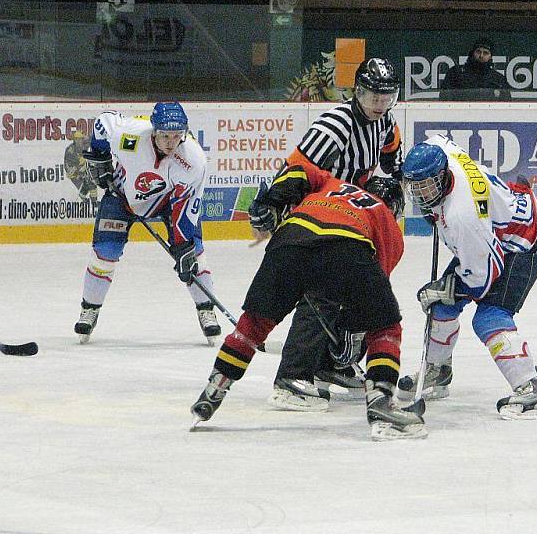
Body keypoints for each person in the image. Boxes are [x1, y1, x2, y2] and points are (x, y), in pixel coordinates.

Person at [191, 161, 427, 440]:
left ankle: (215, 389)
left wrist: (273, 201)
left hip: (289, 239)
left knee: (253, 325)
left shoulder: (334, 185)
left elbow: (299, 169)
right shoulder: (385, 219)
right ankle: (382, 403)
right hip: (347, 245)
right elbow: (370, 301)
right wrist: (347, 338)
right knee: (385, 327)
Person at [252, 57, 404, 411]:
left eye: (387, 98)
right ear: (357, 93)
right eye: (373, 98)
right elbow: (298, 168)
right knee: (320, 293)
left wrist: (396, 182)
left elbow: (393, 155)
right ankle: (292, 376)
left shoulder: (385, 123)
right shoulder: (336, 125)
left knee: (354, 287)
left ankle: (329, 364)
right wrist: (274, 203)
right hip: (316, 216)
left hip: (350, 219)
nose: (380, 105)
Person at [397, 134, 537, 420]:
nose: (421, 194)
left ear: (443, 175)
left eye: (427, 186)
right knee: (441, 306)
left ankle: (531, 388)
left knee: (489, 316)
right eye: (415, 187)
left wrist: (446, 290)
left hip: (520, 242)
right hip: (497, 226)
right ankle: (438, 370)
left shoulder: (464, 217)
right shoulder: (441, 152)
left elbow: (483, 277)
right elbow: (439, 139)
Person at [73, 102, 221, 345]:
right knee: (104, 255)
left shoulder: (194, 160)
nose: (171, 142)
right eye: (165, 136)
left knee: (194, 253)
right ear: (154, 130)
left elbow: (186, 206)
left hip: (167, 203)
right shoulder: (128, 134)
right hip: (121, 196)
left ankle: (206, 309)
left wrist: (183, 247)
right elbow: (103, 121)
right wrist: (99, 157)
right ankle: (90, 309)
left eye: (176, 136)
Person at [440, 38, 511, 101]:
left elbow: (507, 103)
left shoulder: (498, 79)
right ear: (472, 53)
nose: (481, 56)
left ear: (490, 57)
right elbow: (444, 98)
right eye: (478, 51)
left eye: (485, 53)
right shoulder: (456, 73)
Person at [63, 127, 99, 211]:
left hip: (81, 168)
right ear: (74, 140)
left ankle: (85, 197)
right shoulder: (70, 150)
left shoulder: (84, 144)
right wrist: (81, 170)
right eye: (78, 139)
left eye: (81, 139)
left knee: (90, 182)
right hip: (73, 172)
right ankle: (94, 204)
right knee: (90, 182)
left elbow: (91, 139)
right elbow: (71, 167)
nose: (80, 141)